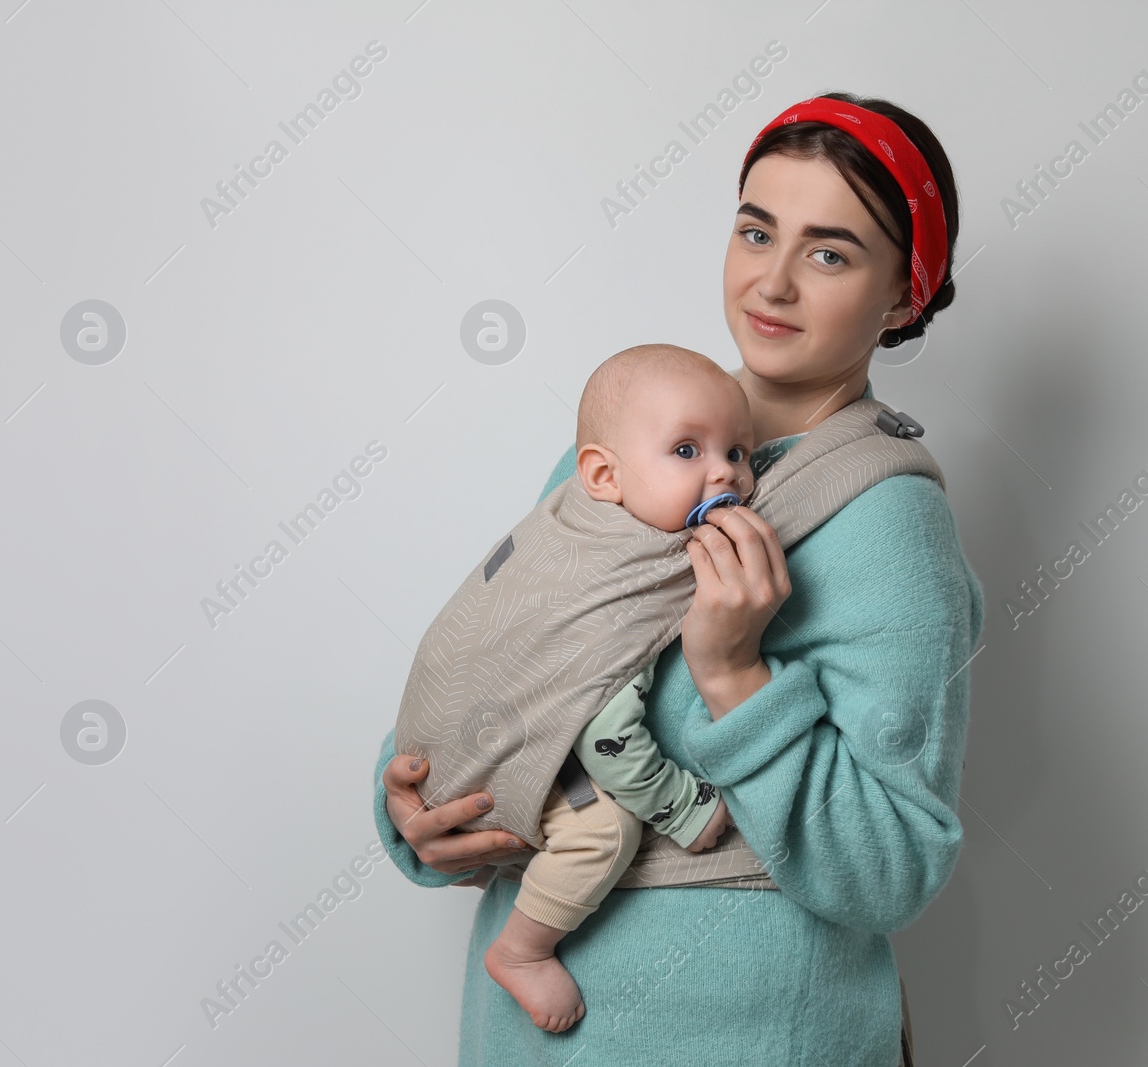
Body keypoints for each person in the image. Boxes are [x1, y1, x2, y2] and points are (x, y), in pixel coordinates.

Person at [374, 91, 984, 1065]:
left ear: (903, 295)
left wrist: (736, 675)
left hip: (735, 1033)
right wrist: (416, 803)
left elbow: (891, 867)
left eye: (828, 253)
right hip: (527, 1035)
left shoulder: (890, 525)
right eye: (755, 231)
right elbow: (513, 652)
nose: (773, 282)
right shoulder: (639, 428)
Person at [447, 343, 756, 1032]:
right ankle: (522, 950)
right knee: (601, 827)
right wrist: (685, 806)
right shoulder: (627, 585)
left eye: (739, 452)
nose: (724, 473)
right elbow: (608, 736)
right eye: (686, 451)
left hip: (474, 723)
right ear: (602, 474)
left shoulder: (577, 523)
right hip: (497, 751)